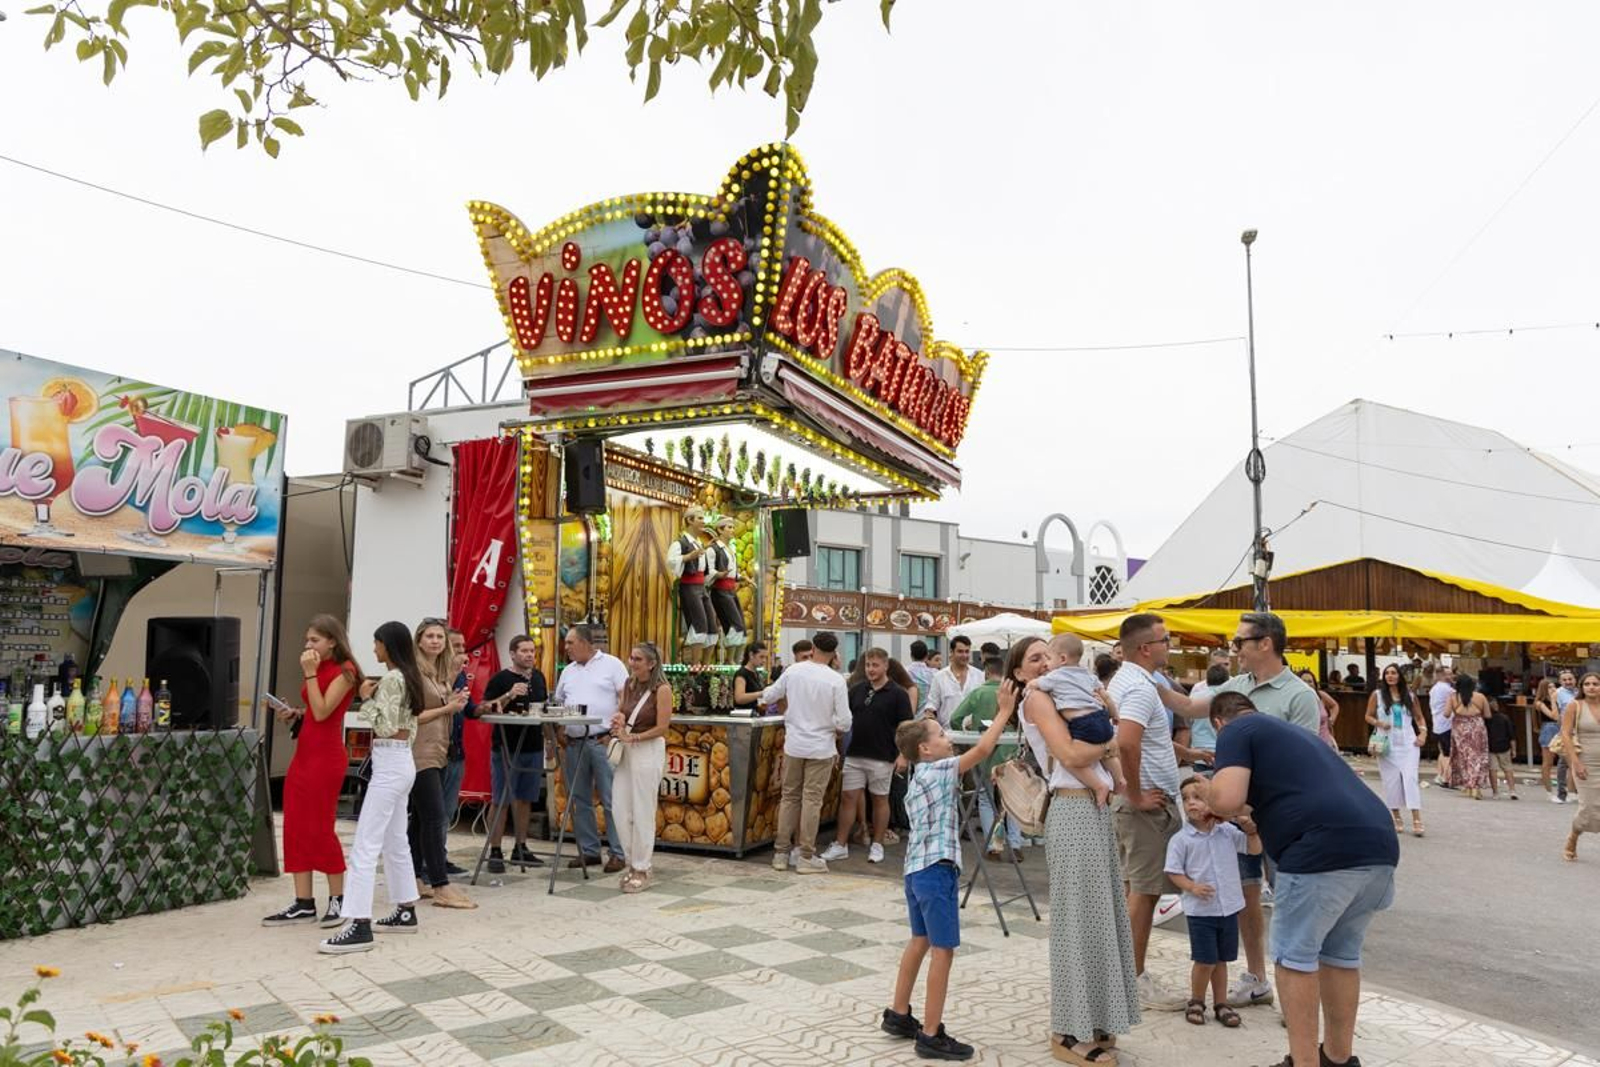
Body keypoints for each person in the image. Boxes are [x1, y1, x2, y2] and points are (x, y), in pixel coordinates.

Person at [1201, 691, 1399, 1067]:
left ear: (1217, 723)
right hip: (1377, 846)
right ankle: (1337, 1059)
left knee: (1294, 958)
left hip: (1320, 851)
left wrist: (1207, 790)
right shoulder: (1294, 735)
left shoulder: (1236, 729)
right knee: (1341, 955)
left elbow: (1225, 799)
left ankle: (1304, 1061)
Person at [880, 676, 1016, 1062]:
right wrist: (1004, 712)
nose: (948, 737)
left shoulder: (919, 776)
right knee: (943, 951)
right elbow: (983, 749)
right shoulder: (938, 770)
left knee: (919, 941)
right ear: (925, 749)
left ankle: (899, 1013)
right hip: (936, 871)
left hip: (914, 871)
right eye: (941, 734)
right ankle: (930, 1034)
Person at [1017, 635, 1139, 1064]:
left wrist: (1106, 744)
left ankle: (1096, 1019)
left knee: (1100, 914)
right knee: (1077, 920)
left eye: (1046, 656)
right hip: (1071, 810)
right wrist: (1111, 744)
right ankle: (1068, 1031)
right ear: (1019, 671)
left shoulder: (1066, 693)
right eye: (1034, 658)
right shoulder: (1037, 699)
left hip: (1091, 808)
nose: (1044, 663)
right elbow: (1070, 754)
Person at [320, 621, 433, 953]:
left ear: (388, 645)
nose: (373, 649)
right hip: (402, 761)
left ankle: (359, 923)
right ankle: (405, 909)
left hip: (389, 764)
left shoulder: (394, 679)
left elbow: (385, 727)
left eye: (376, 643)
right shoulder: (409, 677)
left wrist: (365, 699)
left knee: (365, 846)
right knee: (395, 841)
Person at [1106, 613, 1187, 1012]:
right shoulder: (1139, 688)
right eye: (1164, 640)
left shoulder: (1128, 680)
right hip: (1144, 806)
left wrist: (1187, 752)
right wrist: (1136, 793)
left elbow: (1148, 738)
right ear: (1145, 648)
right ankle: (1132, 979)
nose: (1169, 645)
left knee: (1133, 890)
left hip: (1137, 802)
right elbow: (1128, 743)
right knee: (1145, 892)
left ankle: (1122, 972)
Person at [263, 615, 360, 929]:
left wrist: (309, 674)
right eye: (307, 640)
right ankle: (303, 902)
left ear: (332, 641)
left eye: (315, 640)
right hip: (305, 754)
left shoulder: (345, 671)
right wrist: (295, 713)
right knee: (295, 825)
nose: (308, 645)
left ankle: (339, 898)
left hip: (325, 758)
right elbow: (314, 712)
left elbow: (323, 711)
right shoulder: (322, 669)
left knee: (320, 827)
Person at [1165, 776, 1260, 1029]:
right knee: (1205, 959)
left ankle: (1221, 1004)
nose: (1191, 803)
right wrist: (1191, 887)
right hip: (1201, 911)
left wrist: (1251, 830)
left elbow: (1254, 849)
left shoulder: (1227, 832)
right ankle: (1196, 1001)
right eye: (1186, 798)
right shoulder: (1181, 840)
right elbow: (1173, 871)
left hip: (1228, 908)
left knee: (1221, 959)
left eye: (1198, 797)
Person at [762, 632, 852, 873]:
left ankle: (781, 854)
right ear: (834, 653)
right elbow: (845, 722)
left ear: (812, 648)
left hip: (794, 744)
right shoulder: (836, 680)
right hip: (821, 747)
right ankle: (805, 856)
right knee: (812, 800)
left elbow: (769, 695)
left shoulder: (793, 671)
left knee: (789, 797)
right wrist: (831, 724)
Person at [407, 620, 474, 909]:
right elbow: (412, 715)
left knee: (420, 820)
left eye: (439, 637)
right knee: (434, 818)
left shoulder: (438, 672)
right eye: (430, 636)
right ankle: (440, 884)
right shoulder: (414, 673)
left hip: (440, 750)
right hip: (420, 752)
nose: (435, 641)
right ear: (419, 640)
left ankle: (414, 878)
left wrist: (455, 700)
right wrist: (449, 707)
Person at [824, 647, 913, 865]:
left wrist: (904, 755)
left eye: (875, 665)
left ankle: (877, 844)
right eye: (867, 665)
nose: (871, 669)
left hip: (883, 756)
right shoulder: (856, 690)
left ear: (886, 666)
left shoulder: (898, 694)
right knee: (848, 798)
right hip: (855, 753)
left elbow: (906, 727)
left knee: (880, 799)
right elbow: (843, 718)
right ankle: (840, 844)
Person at [552, 624, 630, 873]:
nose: (566, 647)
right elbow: (559, 702)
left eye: (570, 643)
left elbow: (625, 698)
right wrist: (559, 729)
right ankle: (589, 850)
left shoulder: (612, 664)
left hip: (601, 740)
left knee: (611, 798)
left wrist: (616, 729)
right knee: (579, 799)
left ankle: (618, 853)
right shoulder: (568, 671)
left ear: (585, 643)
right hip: (574, 743)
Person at [473, 635, 550, 873]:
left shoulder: (539, 677)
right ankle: (495, 851)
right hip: (506, 745)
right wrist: (509, 694)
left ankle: (521, 847)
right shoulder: (501, 679)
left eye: (532, 651)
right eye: (524, 651)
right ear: (513, 654)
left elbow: (544, 709)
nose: (529, 655)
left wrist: (550, 740)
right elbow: (484, 709)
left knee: (526, 798)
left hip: (533, 744)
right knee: (501, 799)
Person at [609, 641, 674, 892]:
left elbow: (663, 727)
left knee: (643, 810)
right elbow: (623, 710)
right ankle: (631, 861)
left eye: (638, 659)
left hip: (648, 750)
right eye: (631, 657)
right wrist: (619, 719)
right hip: (626, 750)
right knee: (620, 808)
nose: (632, 662)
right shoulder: (629, 684)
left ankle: (642, 867)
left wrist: (634, 737)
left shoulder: (662, 689)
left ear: (651, 663)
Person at [1034, 633, 1124, 805]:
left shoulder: (1055, 676)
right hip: (1101, 717)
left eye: (1048, 658)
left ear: (1062, 659)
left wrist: (1030, 686)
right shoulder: (1089, 675)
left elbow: (1038, 684)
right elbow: (1106, 696)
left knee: (1071, 759)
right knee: (1108, 753)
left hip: (1082, 723)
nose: (1046, 664)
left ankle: (1099, 786)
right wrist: (1114, 715)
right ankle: (1119, 778)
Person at [950, 655, 1024, 860]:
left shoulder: (978, 692)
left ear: (987, 672)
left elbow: (955, 718)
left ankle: (993, 845)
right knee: (1012, 799)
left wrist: (967, 737)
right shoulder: (1014, 693)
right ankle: (1015, 844)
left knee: (985, 798)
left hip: (984, 752)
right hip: (1010, 752)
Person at [1364, 664, 1428, 836]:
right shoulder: (1377, 695)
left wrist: (1423, 733)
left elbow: (1419, 717)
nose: (1390, 676)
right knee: (1390, 780)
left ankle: (1416, 818)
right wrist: (1379, 723)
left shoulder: (1410, 696)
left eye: (1393, 673)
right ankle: (1396, 816)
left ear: (1399, 676)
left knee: (1410, 778)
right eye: (1387, 673)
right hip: (1387, 742)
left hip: (1408, 742)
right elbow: (1368, 716)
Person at [439, 628, 473, 875]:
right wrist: (452, 673)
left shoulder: (461, 675)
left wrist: (492, 704)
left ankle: (439, 857)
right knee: (432, 811)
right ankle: (425, 862)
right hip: (435, 751)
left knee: (448, 810)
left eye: (463, 646)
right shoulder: (434, 673)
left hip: (456, 750)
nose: (461, 651)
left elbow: (469, 709)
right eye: (456, 646)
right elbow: (435, 704)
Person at [1559, 671, 1600, 860]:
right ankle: (1573, 837)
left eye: (1595, 684)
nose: (1591, 687)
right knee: (1588, 807)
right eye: (1587, 684)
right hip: (1585, 761)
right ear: (1581, 687)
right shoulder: (1575, 706)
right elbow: (1565, 734)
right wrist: (1575, 762)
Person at [921, 635, 983, 728]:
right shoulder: (939, 677)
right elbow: (932, 703)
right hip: (947, 732)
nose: (964, 655)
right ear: (951, 652)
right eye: (960, 651)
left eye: (967, 651)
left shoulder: (979, 675)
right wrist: (929, 713)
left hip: (973, 732)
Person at [1447, 675, 1491, 799]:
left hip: (1460, 727)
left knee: (1463, 756)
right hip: (1477, 726)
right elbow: (1488, 714)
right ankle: (1475, 786)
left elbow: (1446, 714)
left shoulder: (1453, 697)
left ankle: (1468, 784)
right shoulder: (1480, 697)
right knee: (1477, 756)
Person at [1187, 662, 1228, 774]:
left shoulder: (1194, 698)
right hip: (1224, 752)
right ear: (1227, 680)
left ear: (1207, 680)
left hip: (1199, 752)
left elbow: (1188, 725)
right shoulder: (1231, 698)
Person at [1299, 669, 1340, 751]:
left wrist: (1331, 719)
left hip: (1324, 743)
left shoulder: (1321, 695)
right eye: (1304, 681)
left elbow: (1334, 706)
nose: (1307, 684)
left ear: (1315, 684)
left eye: (1310, 681)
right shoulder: (1296, 699)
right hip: (1304, 743)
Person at [1428, 666, 1456, 788]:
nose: (1451, 676)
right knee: (1448, 753)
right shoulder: (1448, 690)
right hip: (1447, 724)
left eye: (1451, 673)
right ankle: (1447, 778)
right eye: (1448, 674)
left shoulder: (1434, 688)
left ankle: (1440, 775)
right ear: (1441, 675)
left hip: (1437, 723)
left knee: (1442, 751)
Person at [1485, 700, 1518, 800]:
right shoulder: (1505, 718)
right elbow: (1511, 735)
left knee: (1493, 770)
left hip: (1491, 747)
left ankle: (1495, 792)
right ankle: (1512, 790)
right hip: (1504, 747)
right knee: (1508, 769)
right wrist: (1514, 749)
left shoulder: (1486, 720)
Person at [733, 642, 768, 713]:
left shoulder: (757, 674)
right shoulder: (741, 674)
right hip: (743, 716)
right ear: (751, 655)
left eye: (765, 657)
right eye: (761, 657)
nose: (764, 660)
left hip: (754, 714)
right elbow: (739, 698)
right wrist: (761, 693)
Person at [907, 640, 935, 710]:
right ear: (927, 655)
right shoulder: (935, 674)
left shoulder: (904, 672)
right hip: (928, 713)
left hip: (908, 713)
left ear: (911, 655)